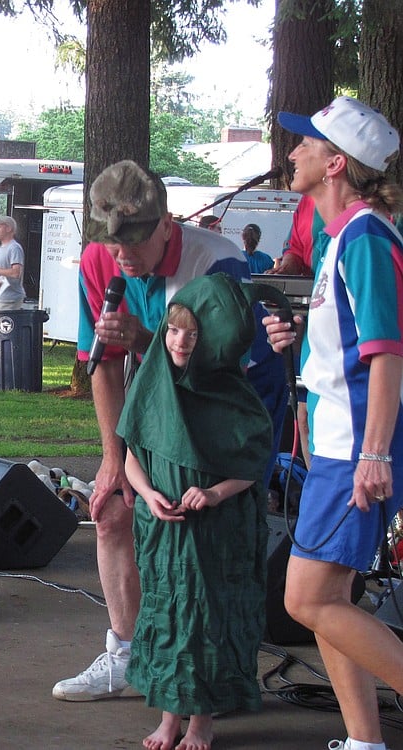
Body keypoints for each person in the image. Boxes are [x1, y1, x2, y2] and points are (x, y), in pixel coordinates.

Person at [52, 160, 286, 702]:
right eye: (113, 246)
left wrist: (142, 338)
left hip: (220, 423)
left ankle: (209, 679)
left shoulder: (216, 263)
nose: (124, 257)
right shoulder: (98, 262)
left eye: (135, 242)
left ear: (167, 224)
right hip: (151, 414)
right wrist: (114, 460)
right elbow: (102, 364)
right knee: (112, 512)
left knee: (199, 543)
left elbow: (219, 375)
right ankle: (127, 656)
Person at [265, 95, 403, 750]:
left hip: (355, 452)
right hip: (339, 448)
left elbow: (386, 353)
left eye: (306, 144)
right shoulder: (344, 236)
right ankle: (365, 742)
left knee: (306, 600)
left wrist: (374, 453)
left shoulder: (368, 238)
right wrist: (293, 333)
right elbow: (348, 344)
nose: (293, 153)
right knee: (331, 601)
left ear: (336, 162)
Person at [120, 275, 273, 750]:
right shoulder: (154, 382)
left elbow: (251, 465)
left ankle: (201, 721)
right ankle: (169, 718)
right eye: (171, 331)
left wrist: (214, 495)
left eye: (192, 334)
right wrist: (146, 494)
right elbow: (134, 452)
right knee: (167, 614)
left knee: (206, 619)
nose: (179, 342)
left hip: (215, 531)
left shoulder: (233, 394)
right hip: (164, 531)